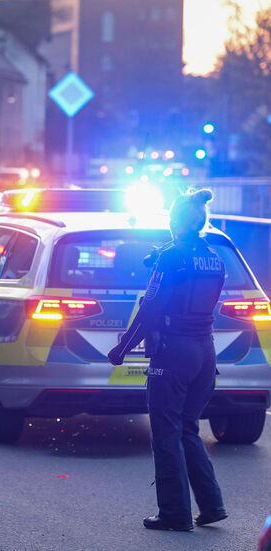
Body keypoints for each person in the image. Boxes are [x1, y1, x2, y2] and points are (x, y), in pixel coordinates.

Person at [108, 189, 227, 532]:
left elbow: (151, 308)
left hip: (174, 354)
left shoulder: (171, 258)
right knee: (188, 428)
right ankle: (212, 504)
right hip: (205, 351)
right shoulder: (214, 258)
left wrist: (122, 348)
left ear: (176, 220)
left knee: (166, 433)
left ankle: (174, 514)